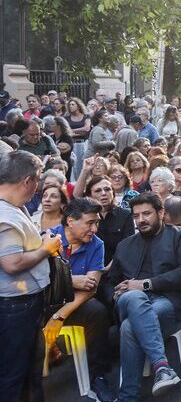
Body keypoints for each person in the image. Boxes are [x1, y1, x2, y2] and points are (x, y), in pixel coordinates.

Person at [108, 192, 181, 401]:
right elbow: (110, 281)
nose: (141, 220)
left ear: (161, 213)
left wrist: (145, 284)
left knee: (129, 327)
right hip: (129, 300)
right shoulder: (125, 245)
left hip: (172, 302)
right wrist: (116, 293)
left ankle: (128, 396)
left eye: (146, 214)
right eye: (136, 215)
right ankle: (162, 365)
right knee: (133, 298)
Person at [0, 151, 60, 401]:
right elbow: (11, 263)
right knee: (17, 373)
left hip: (20, 304)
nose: (37, 190)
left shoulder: (14, 208)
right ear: (26, 181)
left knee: (26, 373)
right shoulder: (6, 215)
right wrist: (46, 248)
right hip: (16, 305)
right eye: (36, 182)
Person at [45, 198, 116, 401]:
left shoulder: (97, 244)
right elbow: (39, 280)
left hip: (73, 304)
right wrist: (71, 279)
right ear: (70, 221)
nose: (94, 228)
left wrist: (59, 316)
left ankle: (98, 376)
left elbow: (91, 286)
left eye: (97, 223)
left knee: (97, 312)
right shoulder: (49, 237)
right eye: (89, 223)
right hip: (44, 301)